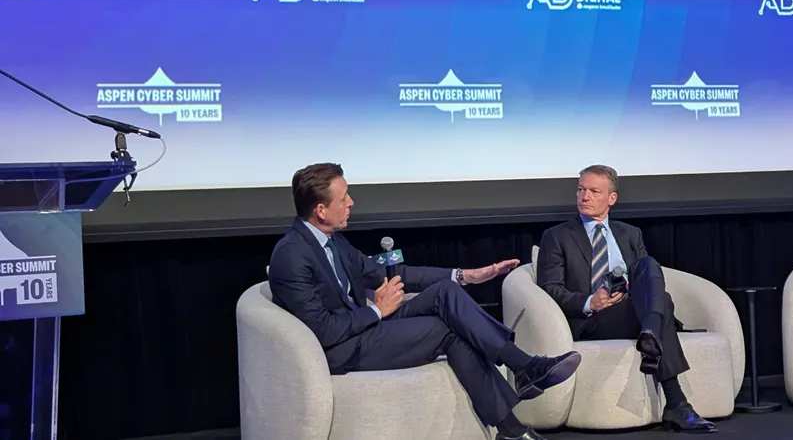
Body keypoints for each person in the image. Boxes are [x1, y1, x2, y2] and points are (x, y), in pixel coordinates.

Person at [269, 163, 581, 440]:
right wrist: (378, 310)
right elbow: (323, 330)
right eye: (343, 198)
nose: (351, 202)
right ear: (321, 210)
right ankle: (515, 414)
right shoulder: (292, 256)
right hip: (343, 348)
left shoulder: (332, 241)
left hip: (361, 329)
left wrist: (466, 275)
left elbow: (390, 272)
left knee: (445, 294)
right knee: (449, 332)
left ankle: (522, 375)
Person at [535, 165, 717, 433]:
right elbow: (549, 288)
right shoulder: (557, 236)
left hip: (631, 310)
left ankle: (651, 332)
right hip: (593, 319)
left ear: (611, 198)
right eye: (580, 189)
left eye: (594, 191)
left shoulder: (630, 234)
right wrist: (589, 302)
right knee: (662, 303)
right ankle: (675, 400)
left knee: (649, 266)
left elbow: (646, 280)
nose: (584, 196)